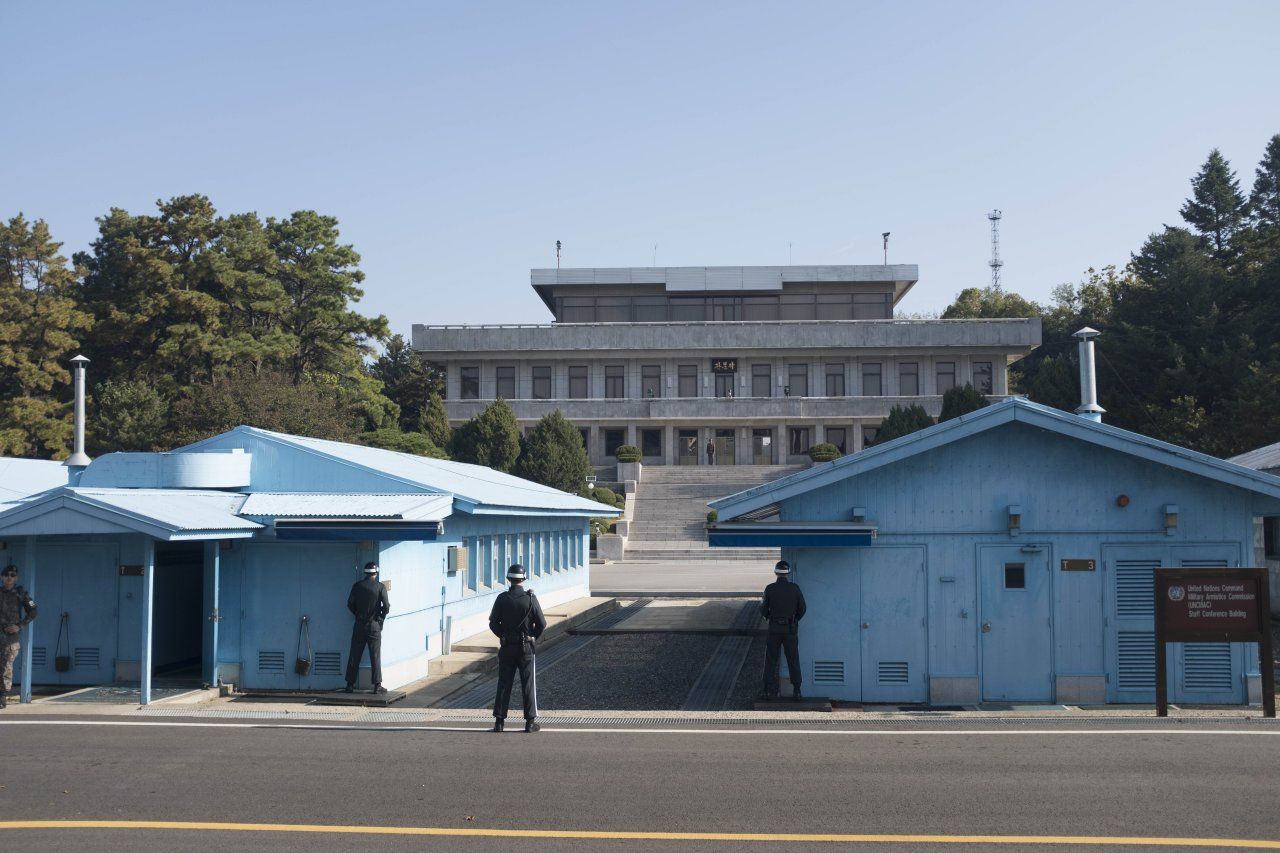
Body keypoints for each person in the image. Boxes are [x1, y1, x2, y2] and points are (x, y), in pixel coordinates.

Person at [489, 563, 546, 733]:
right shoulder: (530, 599)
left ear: (508, 579)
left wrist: (503, 636)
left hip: (507, 647)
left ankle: (499, 722)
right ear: (524, 579)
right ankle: (530, 722)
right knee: (528, 684)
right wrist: (532, 636)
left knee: (504, 683)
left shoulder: (502, 598)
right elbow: (542, 624)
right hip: (525, 647)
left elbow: (493, 623)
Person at [760, 560, 806, 700]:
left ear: (776, 573)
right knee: (793, 659)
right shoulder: (795, 588)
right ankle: (797, 691)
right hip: (790, 629)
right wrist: (794, 620)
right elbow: (802, 608)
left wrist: (769, 617)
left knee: (771, 659)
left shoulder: (769, 588)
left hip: (774, 628)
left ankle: (766, 690)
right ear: (788, 573)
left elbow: (763, 609)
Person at [345, 562, 390, 694]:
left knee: (354, 654)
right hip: (374, 625)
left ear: (365, 572)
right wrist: (380, 617)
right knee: (375, 655)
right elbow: (386, 606)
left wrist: (358, 614)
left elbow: (350, 604)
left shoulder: (357, 586)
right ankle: (377, 685)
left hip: (359, 624)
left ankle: (350, 685)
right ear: (376, 573)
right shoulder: (380, 587)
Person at [1, 564, 38, 709]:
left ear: (16, 578)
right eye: (6, 575)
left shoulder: (21, 593)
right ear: (2, 577)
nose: (9, 578)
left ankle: (2, 697)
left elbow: (33, 611)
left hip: (10, 638)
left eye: (12, 575)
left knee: (5, 667)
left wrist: (20, 625)